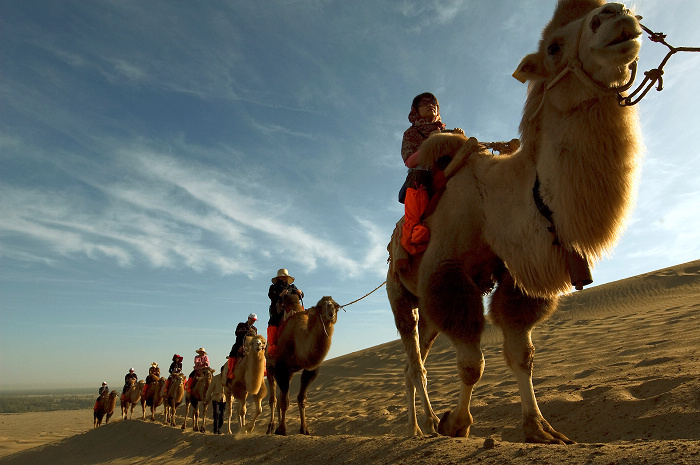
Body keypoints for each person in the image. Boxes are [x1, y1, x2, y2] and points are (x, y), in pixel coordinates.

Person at [399, 92, 463, 258]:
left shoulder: (447, 132)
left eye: (433, 102)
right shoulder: (411, 133)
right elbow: (409, 161)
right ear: (416, 110)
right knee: (419, 175)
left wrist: (459, 140)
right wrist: (431, 145)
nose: (430, 104)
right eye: (424, 103)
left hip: (449, 172)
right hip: (424, 176)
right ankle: (414, 231)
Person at [267, 269, 303, 357]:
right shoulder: (273, 287)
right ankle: (272, 345)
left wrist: (300, 293)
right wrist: (280, 294)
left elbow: (301, 296)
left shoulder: (292, 287)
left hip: (293, 308)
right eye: (283, 276)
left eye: (285, 276)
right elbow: (271, 296)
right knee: (273, 321)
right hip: (279, 309)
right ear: (279, 278)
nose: (284, 278)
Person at [226, 313, 258, 378]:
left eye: (254, 320)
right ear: (248, 318)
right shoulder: (241, 325)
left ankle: (261, 370)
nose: (253, 321)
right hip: (239, 344)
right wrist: (247, 331)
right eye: (252, 320)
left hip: (250, 346)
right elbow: (237, 332)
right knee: (233, 353)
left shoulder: (254, 329)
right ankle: (230, 371)